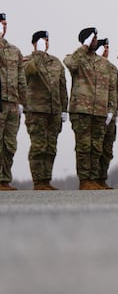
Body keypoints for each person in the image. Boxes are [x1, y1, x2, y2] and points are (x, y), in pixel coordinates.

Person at [64, 27, 114, 190]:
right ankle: (85, 180)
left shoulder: (103, 63)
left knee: (97, 147)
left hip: (100, 111)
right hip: (81, 111)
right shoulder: (76, 59)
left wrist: (110, 109)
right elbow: (71, 64)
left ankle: (94, 179)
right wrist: (84, 46)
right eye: (92, 38)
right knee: (84, 146)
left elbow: (110, 87)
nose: (95, 41)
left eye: (95, 38)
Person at [23, 30, 68, 190]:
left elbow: (62, 87)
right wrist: (39, 54)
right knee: (38, 146)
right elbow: (30, 72)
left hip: (54, 111)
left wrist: (64, 109)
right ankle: (38, 181)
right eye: (43, 40)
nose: (46, 43)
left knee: (51, 147)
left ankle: (46, 180)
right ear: (34, 43)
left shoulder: (56, 62)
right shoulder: (27, 61)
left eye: (47, 40)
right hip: (36, 111)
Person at [0, 14, 26, 191]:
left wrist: (22, 102)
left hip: (13, 103)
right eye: (1, 24)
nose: (4, 27)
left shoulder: (14, 51)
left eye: (5, 24)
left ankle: (4, 179)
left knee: (10, 144)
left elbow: (21, 78)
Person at [94, 39, 118, 188]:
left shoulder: (112, 68)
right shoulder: (91, 66)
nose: (106, 50)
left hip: (111, 114)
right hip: (95, 113)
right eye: (103, 47)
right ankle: (92, 179)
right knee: (94, 148)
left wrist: (113, 112)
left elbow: (114, 92)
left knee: (107, 149)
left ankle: (102, 179)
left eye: (107, 47)